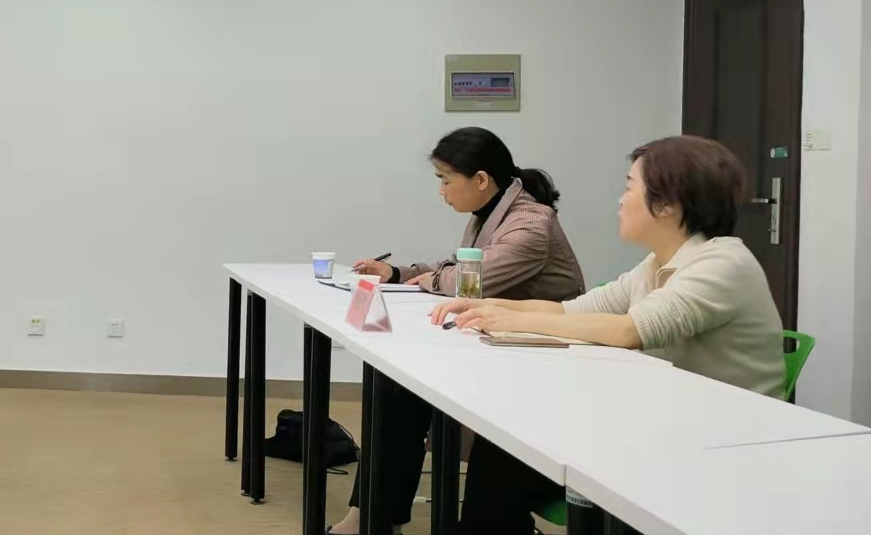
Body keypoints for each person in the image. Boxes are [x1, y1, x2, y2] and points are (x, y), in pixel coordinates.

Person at [433, 135, 785, 534]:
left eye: (629, 187)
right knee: (503, 447)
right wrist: (487, 308)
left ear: (667, 204)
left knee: (507, 456)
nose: (620, 200)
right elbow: (571, 309)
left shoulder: (723, 263)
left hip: (721, 451)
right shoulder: (655, 265)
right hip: (671, 429)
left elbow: (629, 330)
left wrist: (511, 321)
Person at [331, 127, 586, 535]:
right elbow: (453, 268)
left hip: (538, 361)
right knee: (396, 385)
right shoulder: (491, 213)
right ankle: (372, 518)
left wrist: (432, 278)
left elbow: (468, 281)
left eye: (446, 180)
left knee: (412, 390)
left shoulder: (530, 223)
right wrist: (397, 273)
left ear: (480, 179)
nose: (441, 191)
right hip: (498, 345)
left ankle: (377, 518)